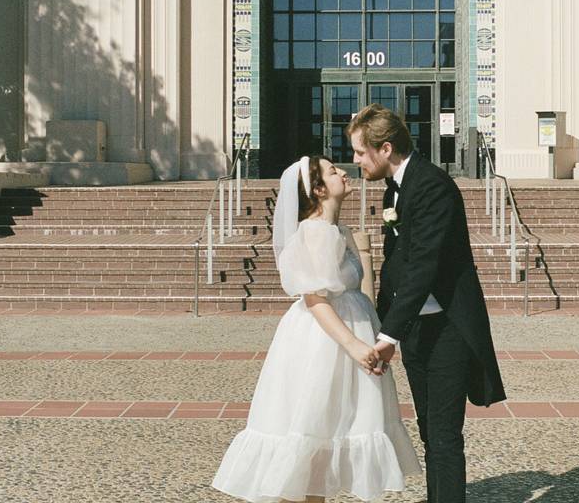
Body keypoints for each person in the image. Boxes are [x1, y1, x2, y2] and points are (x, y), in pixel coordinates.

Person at [212, 155, 421, 503]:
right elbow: (315, 298)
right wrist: (354, 344)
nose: (343, 171)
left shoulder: (335, 229)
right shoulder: (316, 231)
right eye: (332, 171)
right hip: (326, 340)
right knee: (314, 428)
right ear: (319, 189)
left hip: (347, 329)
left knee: (324, 435)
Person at [347, 104, 507, 503]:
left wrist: (388, 335)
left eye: (359, 152)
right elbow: (397, 265)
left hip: (447, 329)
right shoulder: (396, 187)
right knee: (428, 430)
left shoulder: (432, 185)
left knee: (445, 435)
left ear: (385, 148)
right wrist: (383, 322)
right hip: (418, 329)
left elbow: (424, 265)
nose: (354, 161)